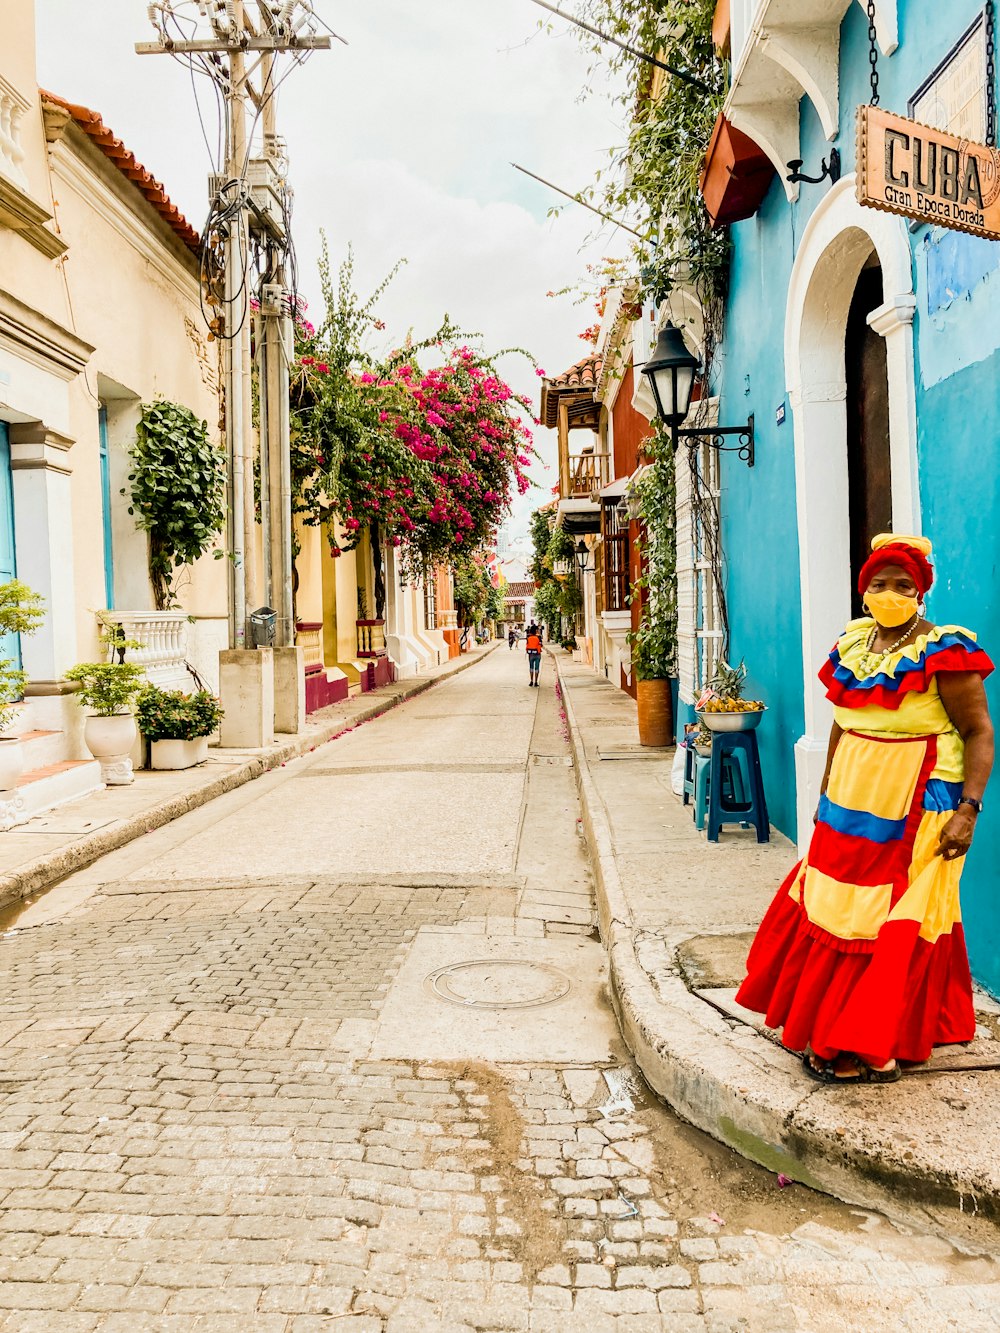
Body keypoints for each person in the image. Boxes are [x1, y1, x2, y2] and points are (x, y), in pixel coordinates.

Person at [736, 534, 994, 1085]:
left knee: (888, 916)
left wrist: (969, 808)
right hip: (850, 800)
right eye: (879, 583)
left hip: (920, 800)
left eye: (903, 584)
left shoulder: (944, 651)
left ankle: (872, 1043)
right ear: (864, 590)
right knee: (833, 906)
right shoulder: (855, 645)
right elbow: (841, 720)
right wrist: (826, 792)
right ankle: (840, 1029)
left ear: (921, 591)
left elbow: (978, 732)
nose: (889, 593)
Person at [525, 622, 543, 687]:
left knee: (531, 667)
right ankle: (536, 682)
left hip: (531, 654)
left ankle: (531, 681)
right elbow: (541, 645)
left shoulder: (528, 637)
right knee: (537, 668)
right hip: (537, 654)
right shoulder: (539, 637)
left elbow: (527, 645)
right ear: (536, 630)